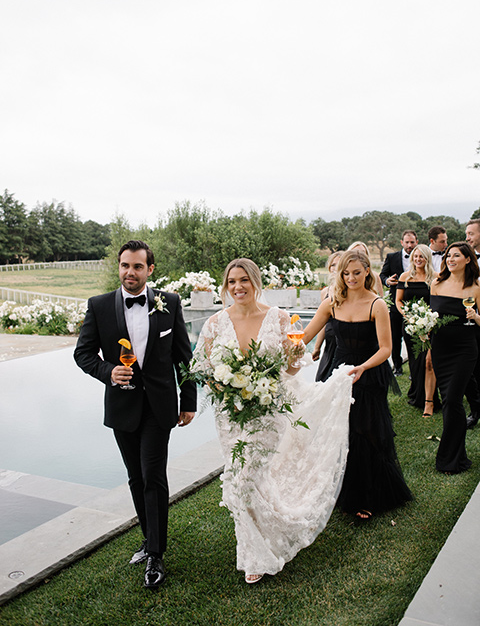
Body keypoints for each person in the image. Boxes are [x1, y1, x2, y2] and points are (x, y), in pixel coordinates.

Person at [193, 258, 353, 583]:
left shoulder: (279, 318)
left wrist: (293, 358)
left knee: (242, 483)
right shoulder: (214, 323)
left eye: (244, 280)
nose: (238, 287)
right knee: (248, 480)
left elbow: (292, 368)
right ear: (225, 285)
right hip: (230, 415)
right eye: (232, 281)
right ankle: (261, 536)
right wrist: (224, 386)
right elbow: (203, 369)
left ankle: (256, 555)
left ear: (255, 282)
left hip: (267, 411)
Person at [74, 240, 196, 589]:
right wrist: (107, 371)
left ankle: (156, 555)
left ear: (150, 270)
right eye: (125, 265)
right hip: (122, 406)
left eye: (138, 266)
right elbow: (83, 354)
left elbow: (182, 356)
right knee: (135, 477)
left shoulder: (169, 302)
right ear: (119, 267)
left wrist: (188, 400)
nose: (130, 272)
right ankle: (148, 538)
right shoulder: (98, 306)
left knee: (153, 475)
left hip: (159, 406)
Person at [304, 250, 412, 521]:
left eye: (355, 272)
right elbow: (304, 335)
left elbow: (387, 348)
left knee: (366, 432)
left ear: (367, 271)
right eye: (345, 273)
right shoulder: (332, 302)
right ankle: (340, 490)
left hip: (368, 373)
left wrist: (364, 367)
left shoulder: (376, 304)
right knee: (340, 432)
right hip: (339, 374)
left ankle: (367, 496)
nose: (350, 278)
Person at [430, 242, 480, 474]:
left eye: (456, 256)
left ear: (468, 259)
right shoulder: (437, 284)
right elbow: (431, 317)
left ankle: (451, 458)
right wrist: (423, 330)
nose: (450, 259)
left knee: (452, 400)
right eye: (448, 255)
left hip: (464, 349)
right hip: (441, 348)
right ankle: (457, 455)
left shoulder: (476, 288)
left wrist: (476, 317)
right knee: (450, 400)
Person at [395, 245, 438, 417]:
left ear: (427, 258)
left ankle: (430, 399)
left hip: (430, 326)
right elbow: (398, 301)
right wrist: (409, 316)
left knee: (428, 362)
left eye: (422, 256)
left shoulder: (435, 278)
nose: (418, 259)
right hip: (411, 326)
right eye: (415, 256)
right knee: (414, 362)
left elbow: (437, 301)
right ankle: (416, 393)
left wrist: (429, 321)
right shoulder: (405, 277)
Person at [380, 230, 419, 375]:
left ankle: (414, 367)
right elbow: (382, 275)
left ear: (416, 242)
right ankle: (397, 366)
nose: (409, 245)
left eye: (412, 242)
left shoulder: (420, 257)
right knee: (395, 337)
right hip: (395, 303)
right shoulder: (392, 257)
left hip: (415, 304)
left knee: (413, 337)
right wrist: (387, 281)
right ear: (402, 243)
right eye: (407, 242)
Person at [312, 250, 343, 381]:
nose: (335, 268)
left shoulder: (351, 291)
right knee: (322, 380)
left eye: (339, 264)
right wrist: (317, 347)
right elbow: (321, 322)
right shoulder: (325, 292)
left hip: (344, 342)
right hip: (330, 344)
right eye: (333, 265)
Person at [464, 219, 480, 429]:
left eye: (471, 234)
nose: (467, 237)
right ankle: (475, 410)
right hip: (470, 320)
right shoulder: (466, 259)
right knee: (471, 368)